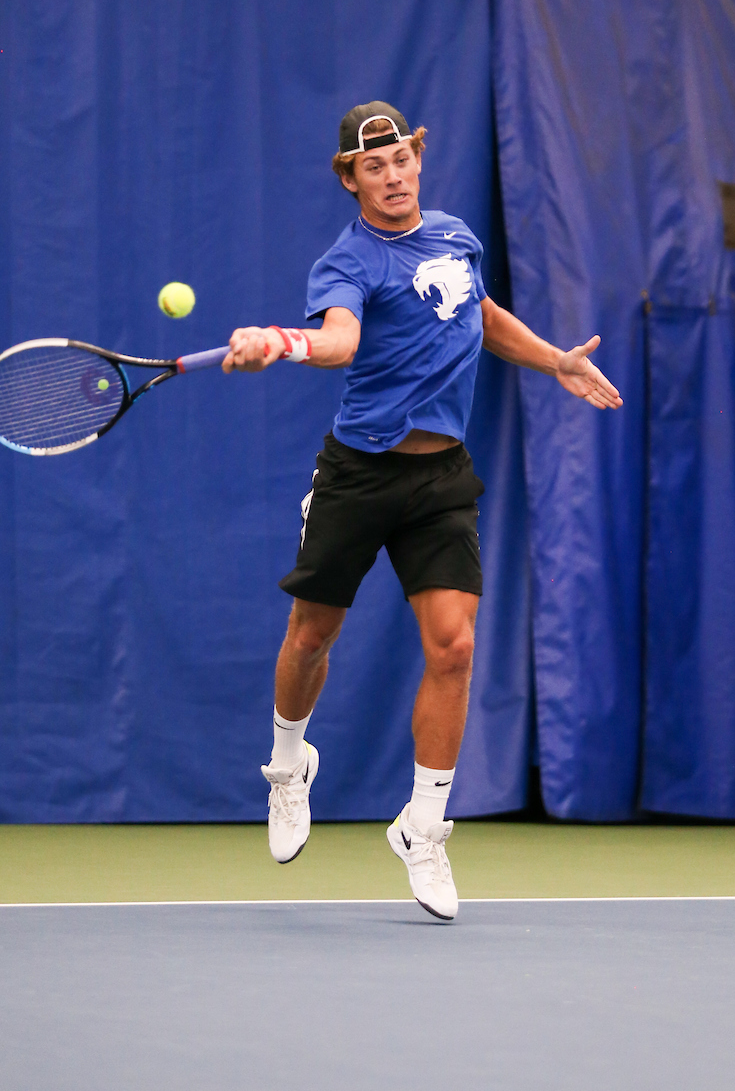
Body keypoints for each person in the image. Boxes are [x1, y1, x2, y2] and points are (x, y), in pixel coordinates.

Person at [223, 101, 622, 920]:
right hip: (359, 475)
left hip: (442, 479)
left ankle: (424, 826)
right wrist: (280, 341)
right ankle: (289, 765)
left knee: (455, 646)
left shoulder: (454, 235)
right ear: (350, 178)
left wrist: (554, 360)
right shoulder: (346, 262)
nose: (394, 176)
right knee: (312, 635)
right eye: (374, 166)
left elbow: (479, 314)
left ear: (417, 158)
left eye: (402, 159)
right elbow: (340, 341)